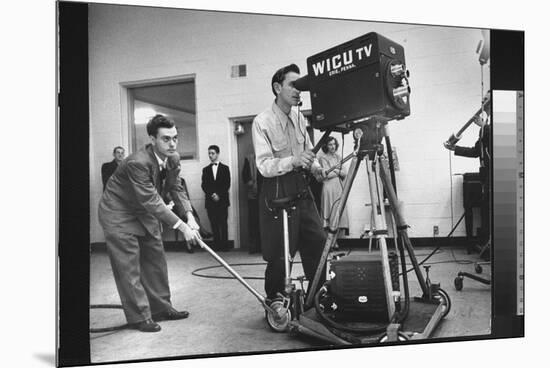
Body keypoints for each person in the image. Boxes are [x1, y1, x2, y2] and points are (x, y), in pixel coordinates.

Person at [98, 114, 201, 333]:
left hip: (144, 213)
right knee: (130, 266)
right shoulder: (138, 162)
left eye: (175, 138)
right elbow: (152, 200)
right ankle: (140, 317)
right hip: (119, 214)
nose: (172, 143)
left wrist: (189, 216)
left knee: (155, 261)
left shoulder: (173, 158)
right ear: (152, 139)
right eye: (166, 139)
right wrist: (181, 227)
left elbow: (176, 188)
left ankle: (162, 308)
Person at [252, 63, 327, 303]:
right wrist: (293, 161)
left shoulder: (298, 116)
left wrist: (316, 168)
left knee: (318, 241)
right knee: (280, 252)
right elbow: (264, 165)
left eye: (300, 86)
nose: (298, 91)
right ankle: (275, 300)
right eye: (292, 85)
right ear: (277, 88)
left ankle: (318, 297)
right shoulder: (261, 122)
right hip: (276, 191)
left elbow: (305, 150)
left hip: (302, 188)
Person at [445, 106, 491, 259]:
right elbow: (476, 151)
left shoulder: (492, 125)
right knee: (487, 214)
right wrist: (455, 148)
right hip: (486, 177)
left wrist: (484, 126)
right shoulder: (485, 128)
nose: (484, 103)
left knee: (494, 214)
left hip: (499, 176)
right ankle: (488, 250)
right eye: (484, 100)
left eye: (486, 99)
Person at [319, 136, 349, 249]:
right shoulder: (323, 158)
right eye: (330, 144)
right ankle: (328, 243)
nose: (332, 146)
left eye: (334, 144)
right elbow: (326, 174)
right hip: (328, 188)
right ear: (326, 146)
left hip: (338, 188)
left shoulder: (339, 157)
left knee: (337, 214)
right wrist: (337, 171)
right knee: (328, 214)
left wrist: (334, 170)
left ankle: (334, 242)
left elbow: (345, 173)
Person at [201, 145, 231, 251]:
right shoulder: (205, 170)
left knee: (223, 223)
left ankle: (225, 246)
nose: (210, 155)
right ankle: (217, 246)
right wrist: (212, 195)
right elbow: (204, 185)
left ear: (217, 154)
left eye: (212, 153)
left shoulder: (225, 168)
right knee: (213, 224)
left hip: (222, 201)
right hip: (210, 201)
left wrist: (219, 195)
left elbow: (227, 184)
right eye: (209, 153)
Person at [242, 152, 261, 253]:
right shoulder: (249, 158)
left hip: (266, 196)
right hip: (253, 196)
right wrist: (251, 183)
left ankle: (264, 247)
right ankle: (254, 247)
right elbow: (245, 176)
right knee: (253, 222)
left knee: (265, 222)